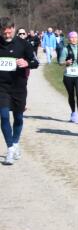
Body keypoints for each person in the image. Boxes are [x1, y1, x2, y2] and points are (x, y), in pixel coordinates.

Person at [1, 19, 40, 164]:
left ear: (14, 28)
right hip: (2, 87)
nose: (7, 35)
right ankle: (10, 149)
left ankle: (15, 142)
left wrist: (26, 63)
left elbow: (35, 63)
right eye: (4, 32)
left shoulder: (24, 44)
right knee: (4, 116)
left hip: (19, 87)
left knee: (18, 118)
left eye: (9, 31)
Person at [61, 31, 78, 123]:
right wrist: (66, 62)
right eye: (72, 37)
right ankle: (73, 113)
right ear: (69, 39)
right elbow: (60, 62)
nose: (74, 39)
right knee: (71, 95)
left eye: (75, 37)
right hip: (68, 76)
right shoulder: (65, 49)